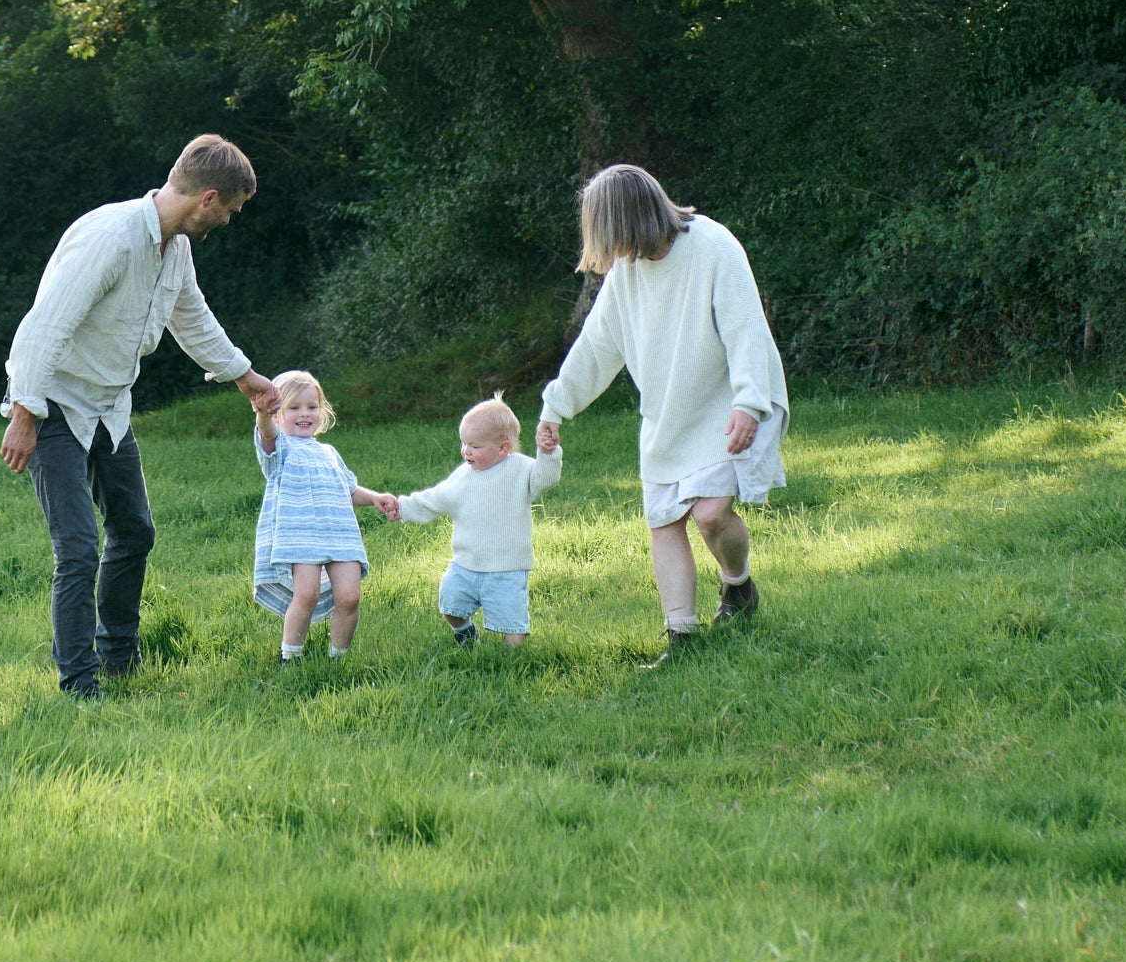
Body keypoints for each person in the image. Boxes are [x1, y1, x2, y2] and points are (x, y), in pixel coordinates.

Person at [1, 135, 278, 699]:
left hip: (110, 406)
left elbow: (191, 318)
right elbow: (44, 326)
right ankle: (79, 684)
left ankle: (119, 659)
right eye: (230, 209)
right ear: (207, 198)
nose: (229, 220)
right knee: (77, 548)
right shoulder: (112, 239)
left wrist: (243, 376)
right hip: (53, 404)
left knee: (134, 530)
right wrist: (25, 412)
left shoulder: (173, 248)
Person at [536, 163, 787, 660]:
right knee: (665, 520)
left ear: (629, 220)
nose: (606, 250)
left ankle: (738, 584)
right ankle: (681, 637)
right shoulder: (626, 273)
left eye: (607, 233)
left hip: (727, 403)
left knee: (712, 516)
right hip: (666, 415)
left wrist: (749, 403)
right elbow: (596, 348)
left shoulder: (714, 247)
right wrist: (555, 407)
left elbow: (746, 329)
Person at [385, 395, 562, 648]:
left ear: (503, 448)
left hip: (507, 568)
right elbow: (435, 499)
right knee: (451, 605)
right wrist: (401, 508)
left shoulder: (520, 470)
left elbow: (547, 478)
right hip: (465, 565)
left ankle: (514, 661)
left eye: (475, 446)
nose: (466, 451)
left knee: (511, 624)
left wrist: (548, 453)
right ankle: (466, 635)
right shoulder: (463, 477)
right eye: (464, 443)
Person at [251, 370, 396, 664]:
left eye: (311, 406)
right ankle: (290, 657)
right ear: (278, 413)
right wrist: (263, 414)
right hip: (301, 534)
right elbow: (266, 431)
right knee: (306, 594)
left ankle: (337, 659)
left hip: (340, 533)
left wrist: (374, 498)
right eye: (294, 408)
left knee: (349, 597)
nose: (304, 414)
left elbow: (349, 489)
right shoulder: (281, 449)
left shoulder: (329, 452)